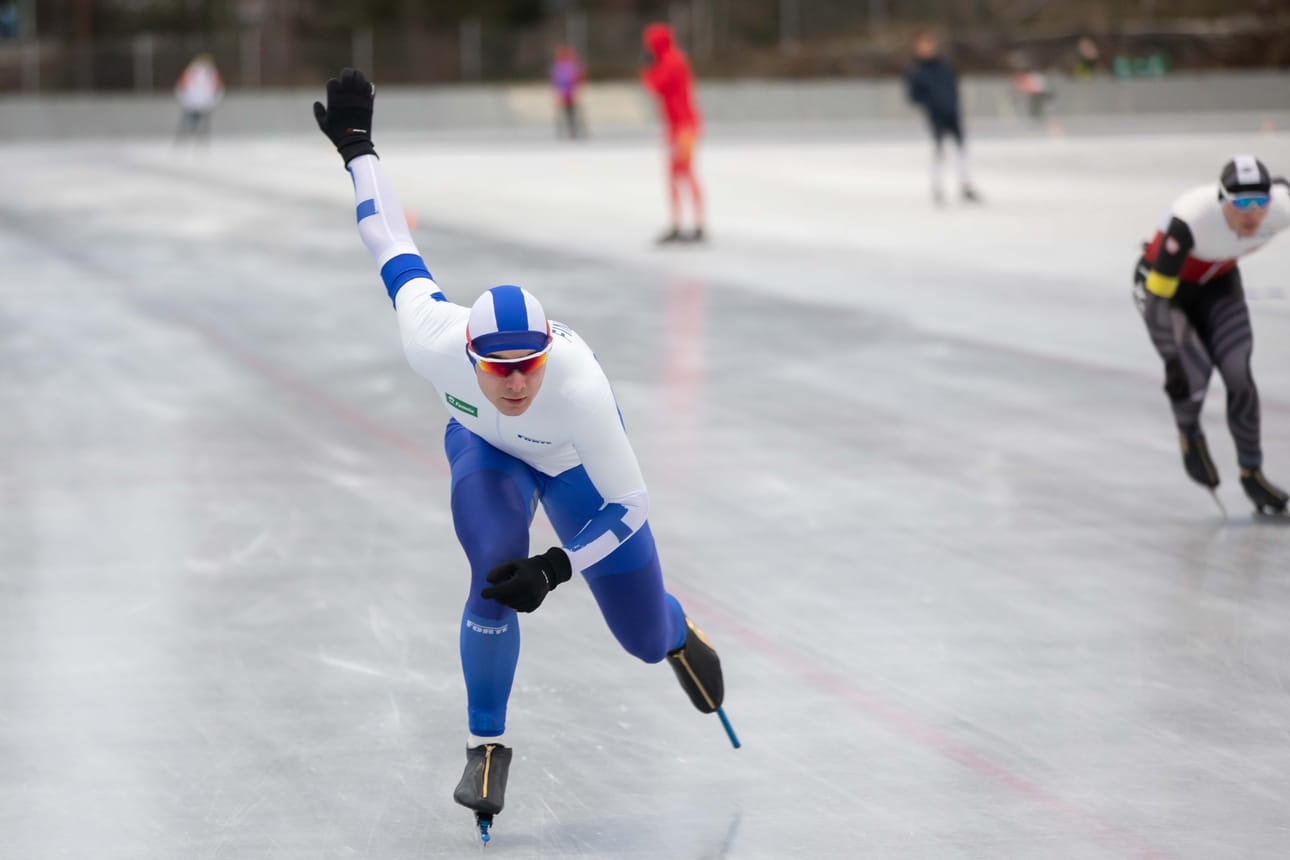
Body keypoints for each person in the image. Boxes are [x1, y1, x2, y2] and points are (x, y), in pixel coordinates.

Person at [311, 68, 730, 842]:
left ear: (547, 355)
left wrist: (557, 568)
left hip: (573, 468)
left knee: (639, 640)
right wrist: (359, 151)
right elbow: (388, 238)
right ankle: (486, 747)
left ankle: (673, 631)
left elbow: (630, 504)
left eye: (528, 366)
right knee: (495, 569)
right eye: (498, 369)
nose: (515, 383)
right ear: (468, 355)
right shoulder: (433, 337)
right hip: (485, 453)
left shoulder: (580, 389)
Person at [1132, 155, 1290, 514]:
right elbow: (1158, 298)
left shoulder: (1281, 208)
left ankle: (1252, 472)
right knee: (1191, 373)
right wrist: (1171, 361)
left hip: (1217, 282)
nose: (1252, 214)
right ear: (1222, 201)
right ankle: (1190, 434)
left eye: (1259, 202)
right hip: (1165, 289)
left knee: (1238, 372)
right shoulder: (1190, 220)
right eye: (1241, 204)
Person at [641, 22, 706, 244]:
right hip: (675, 127)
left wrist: (648, 70)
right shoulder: (670, 60)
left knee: (685, 172)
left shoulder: (672, 61)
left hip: (684, 126)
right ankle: (678, 224)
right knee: (674, 175)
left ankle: (698, 225)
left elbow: (655, 86)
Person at [904, 31, 979, 205]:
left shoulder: (945, 66)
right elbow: (913, 96)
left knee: (960, 147)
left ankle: (965, 184)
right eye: (922, 46)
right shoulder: (916, 70)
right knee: (939, 149)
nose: (926, 49)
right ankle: (937, 186)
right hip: (935, 114)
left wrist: (953, 102)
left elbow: (954, 85)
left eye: (928, 45)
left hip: (952, 111)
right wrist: (931, 103)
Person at [174, 52, 224, 147]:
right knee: (189, 122)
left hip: (204, 102)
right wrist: (184, 99)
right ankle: (183, 141)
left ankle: (201, 142)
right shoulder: (190, 72)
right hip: (192, 102)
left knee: (203, 123)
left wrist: (214, 100)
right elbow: (181, 86)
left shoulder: (211, 74)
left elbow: (217, 87)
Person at [550, 45, 586, 139]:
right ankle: (571, 131)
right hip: (567, 94)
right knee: (569, 114)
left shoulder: (566, 66)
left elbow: (556, 80)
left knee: (571, 113)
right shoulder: (565, 66)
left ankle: (572, 131)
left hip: (568, 94)